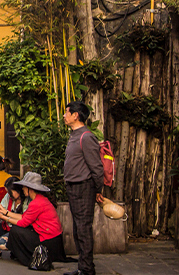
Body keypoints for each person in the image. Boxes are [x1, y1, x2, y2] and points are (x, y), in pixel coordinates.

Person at [0, 172, 67, 267]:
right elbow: (24, 216)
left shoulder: (36, 203)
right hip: (50, 237)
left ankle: (26, 258)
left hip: (48, 239)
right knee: (16, 230)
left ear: (30, 189)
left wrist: (3, 217)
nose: (22, 189)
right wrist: (5, 212)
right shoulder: (39, 199)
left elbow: (23, 222)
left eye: (24, 187)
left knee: (15, 230)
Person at [63, 101, 105, 275]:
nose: (64, 115)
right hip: (73, 186)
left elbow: (96, 167)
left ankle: (87, 269)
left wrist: (98, 190)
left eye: (67, 112)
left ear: (76, 115)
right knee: (78, 228)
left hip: (84, 187)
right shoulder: (74, 135)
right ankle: (83, 267)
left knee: (83, 228)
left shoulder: (86, 137)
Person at [0, 177, 30, 260]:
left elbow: (24, 218)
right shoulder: (8, 197)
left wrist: (5, 213)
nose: (8, 194)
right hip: (7, 225)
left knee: (3, 242)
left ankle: (16, 250)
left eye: (10, 192)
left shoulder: (27, 201)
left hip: (19, 229)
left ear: (17, 190)